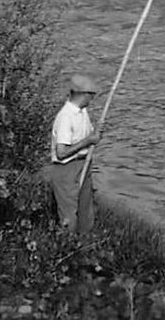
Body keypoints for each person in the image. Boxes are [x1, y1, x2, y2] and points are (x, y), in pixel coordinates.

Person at [49, 73, 100, 235]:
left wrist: (95, 136)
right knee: (69, 217)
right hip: (66, 169)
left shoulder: (82, 112)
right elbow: (61, 152)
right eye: (91, 95)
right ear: (83, 95)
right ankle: (66, 250)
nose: (91, 99)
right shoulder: (65, 117)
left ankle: (85, 249)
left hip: (83, 165)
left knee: (86, 214)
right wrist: (87, 141)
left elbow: (89, 137)